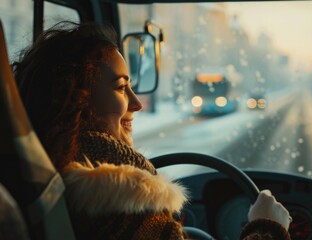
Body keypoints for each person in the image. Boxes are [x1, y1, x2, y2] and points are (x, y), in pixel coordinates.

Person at [13, 21, 291, 240]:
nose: (136, 103)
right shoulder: (121, 202)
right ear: (76, 100)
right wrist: (267, 229)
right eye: (121, 87)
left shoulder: (45, 176)